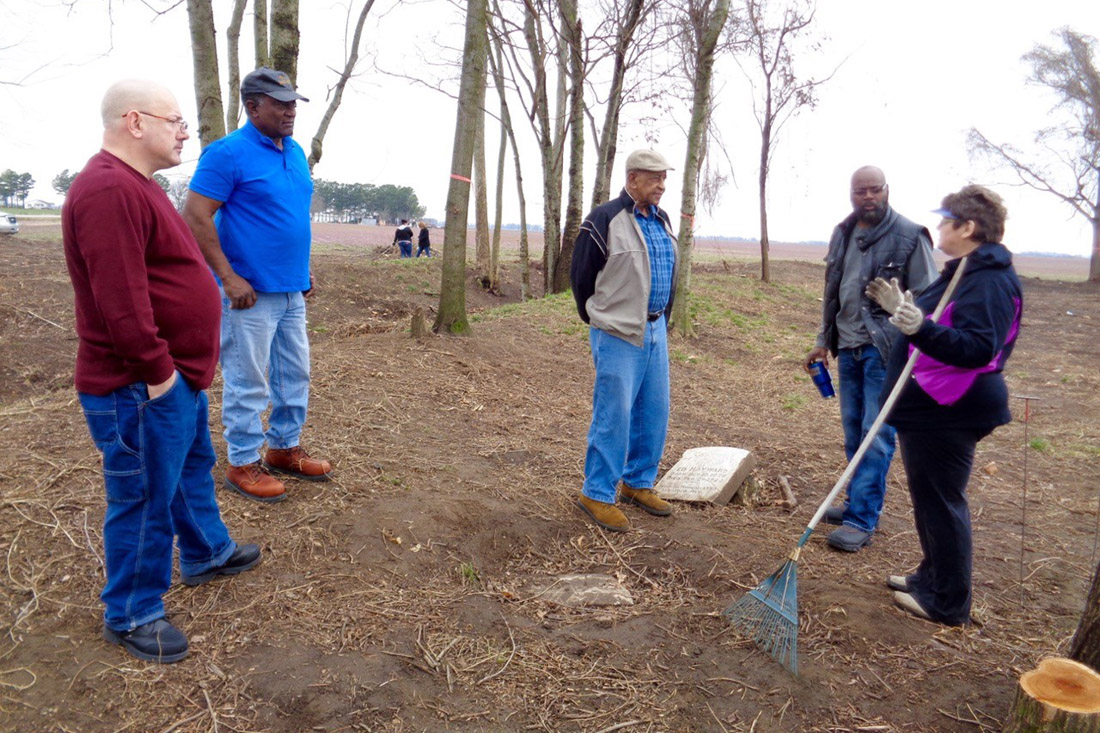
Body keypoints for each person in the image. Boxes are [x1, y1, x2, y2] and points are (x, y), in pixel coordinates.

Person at [62, 79, 261, 664]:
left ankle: (205, 551)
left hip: (172, 378)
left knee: (191, 466)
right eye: (175, 121)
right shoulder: (105, 190)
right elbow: (119, 300)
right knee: (144, 493)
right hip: (140, 385)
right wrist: (159, 374)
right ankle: (131, 612)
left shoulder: (138, 185)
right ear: (135, 122)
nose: (184, 133)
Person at [868, 185, 1022, 625]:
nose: (938, 228)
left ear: (968, 227)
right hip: (930, 407)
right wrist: (908, 311)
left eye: (945, 220)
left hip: (950, 408)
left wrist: (919, 328)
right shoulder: (966, 271)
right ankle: (930, 577)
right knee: (928, 497)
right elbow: (943, 323)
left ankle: (949, 602)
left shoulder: (990, 281)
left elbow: (978, 348)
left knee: (941, 501)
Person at [184, 67, 332, 503]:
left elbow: (288, 217)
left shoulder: (297, 151)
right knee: (248, 379)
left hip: (290, 290)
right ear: (253, 106)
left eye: (292, 103)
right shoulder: (226, 153)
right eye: (280, 103)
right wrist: (228, 277)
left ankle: (284, 448)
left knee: (294, 374)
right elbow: (194, 215)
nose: (290, 111)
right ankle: (243, 462)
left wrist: (300, 271)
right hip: (247, 294)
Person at [804, 166, 937, 552]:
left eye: (875, 190)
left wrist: (909, 327)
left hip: (886, 352)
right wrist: (822, 339)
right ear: (851, 193)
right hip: (847, 348)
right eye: (861, 191)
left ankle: (863, 518)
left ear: (887, 190)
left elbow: (929, 300)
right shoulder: (844, 232)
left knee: (875, 436)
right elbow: (834, 291)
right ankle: (855, 504)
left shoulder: (911, 237)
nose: (868, 197)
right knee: (853, 434)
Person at [569, 149, 679, 532]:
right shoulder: (604, 219)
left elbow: (666, 269)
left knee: (654, 412)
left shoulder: (661, 219)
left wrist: (661, 320)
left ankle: (638, 483)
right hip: (617, 332)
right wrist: (600, 319)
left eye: (664, 178)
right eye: (654, 178)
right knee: (613, 415)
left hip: (654, 330)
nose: (662, 186)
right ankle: (596, 493)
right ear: (633, 179)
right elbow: (582, 279)